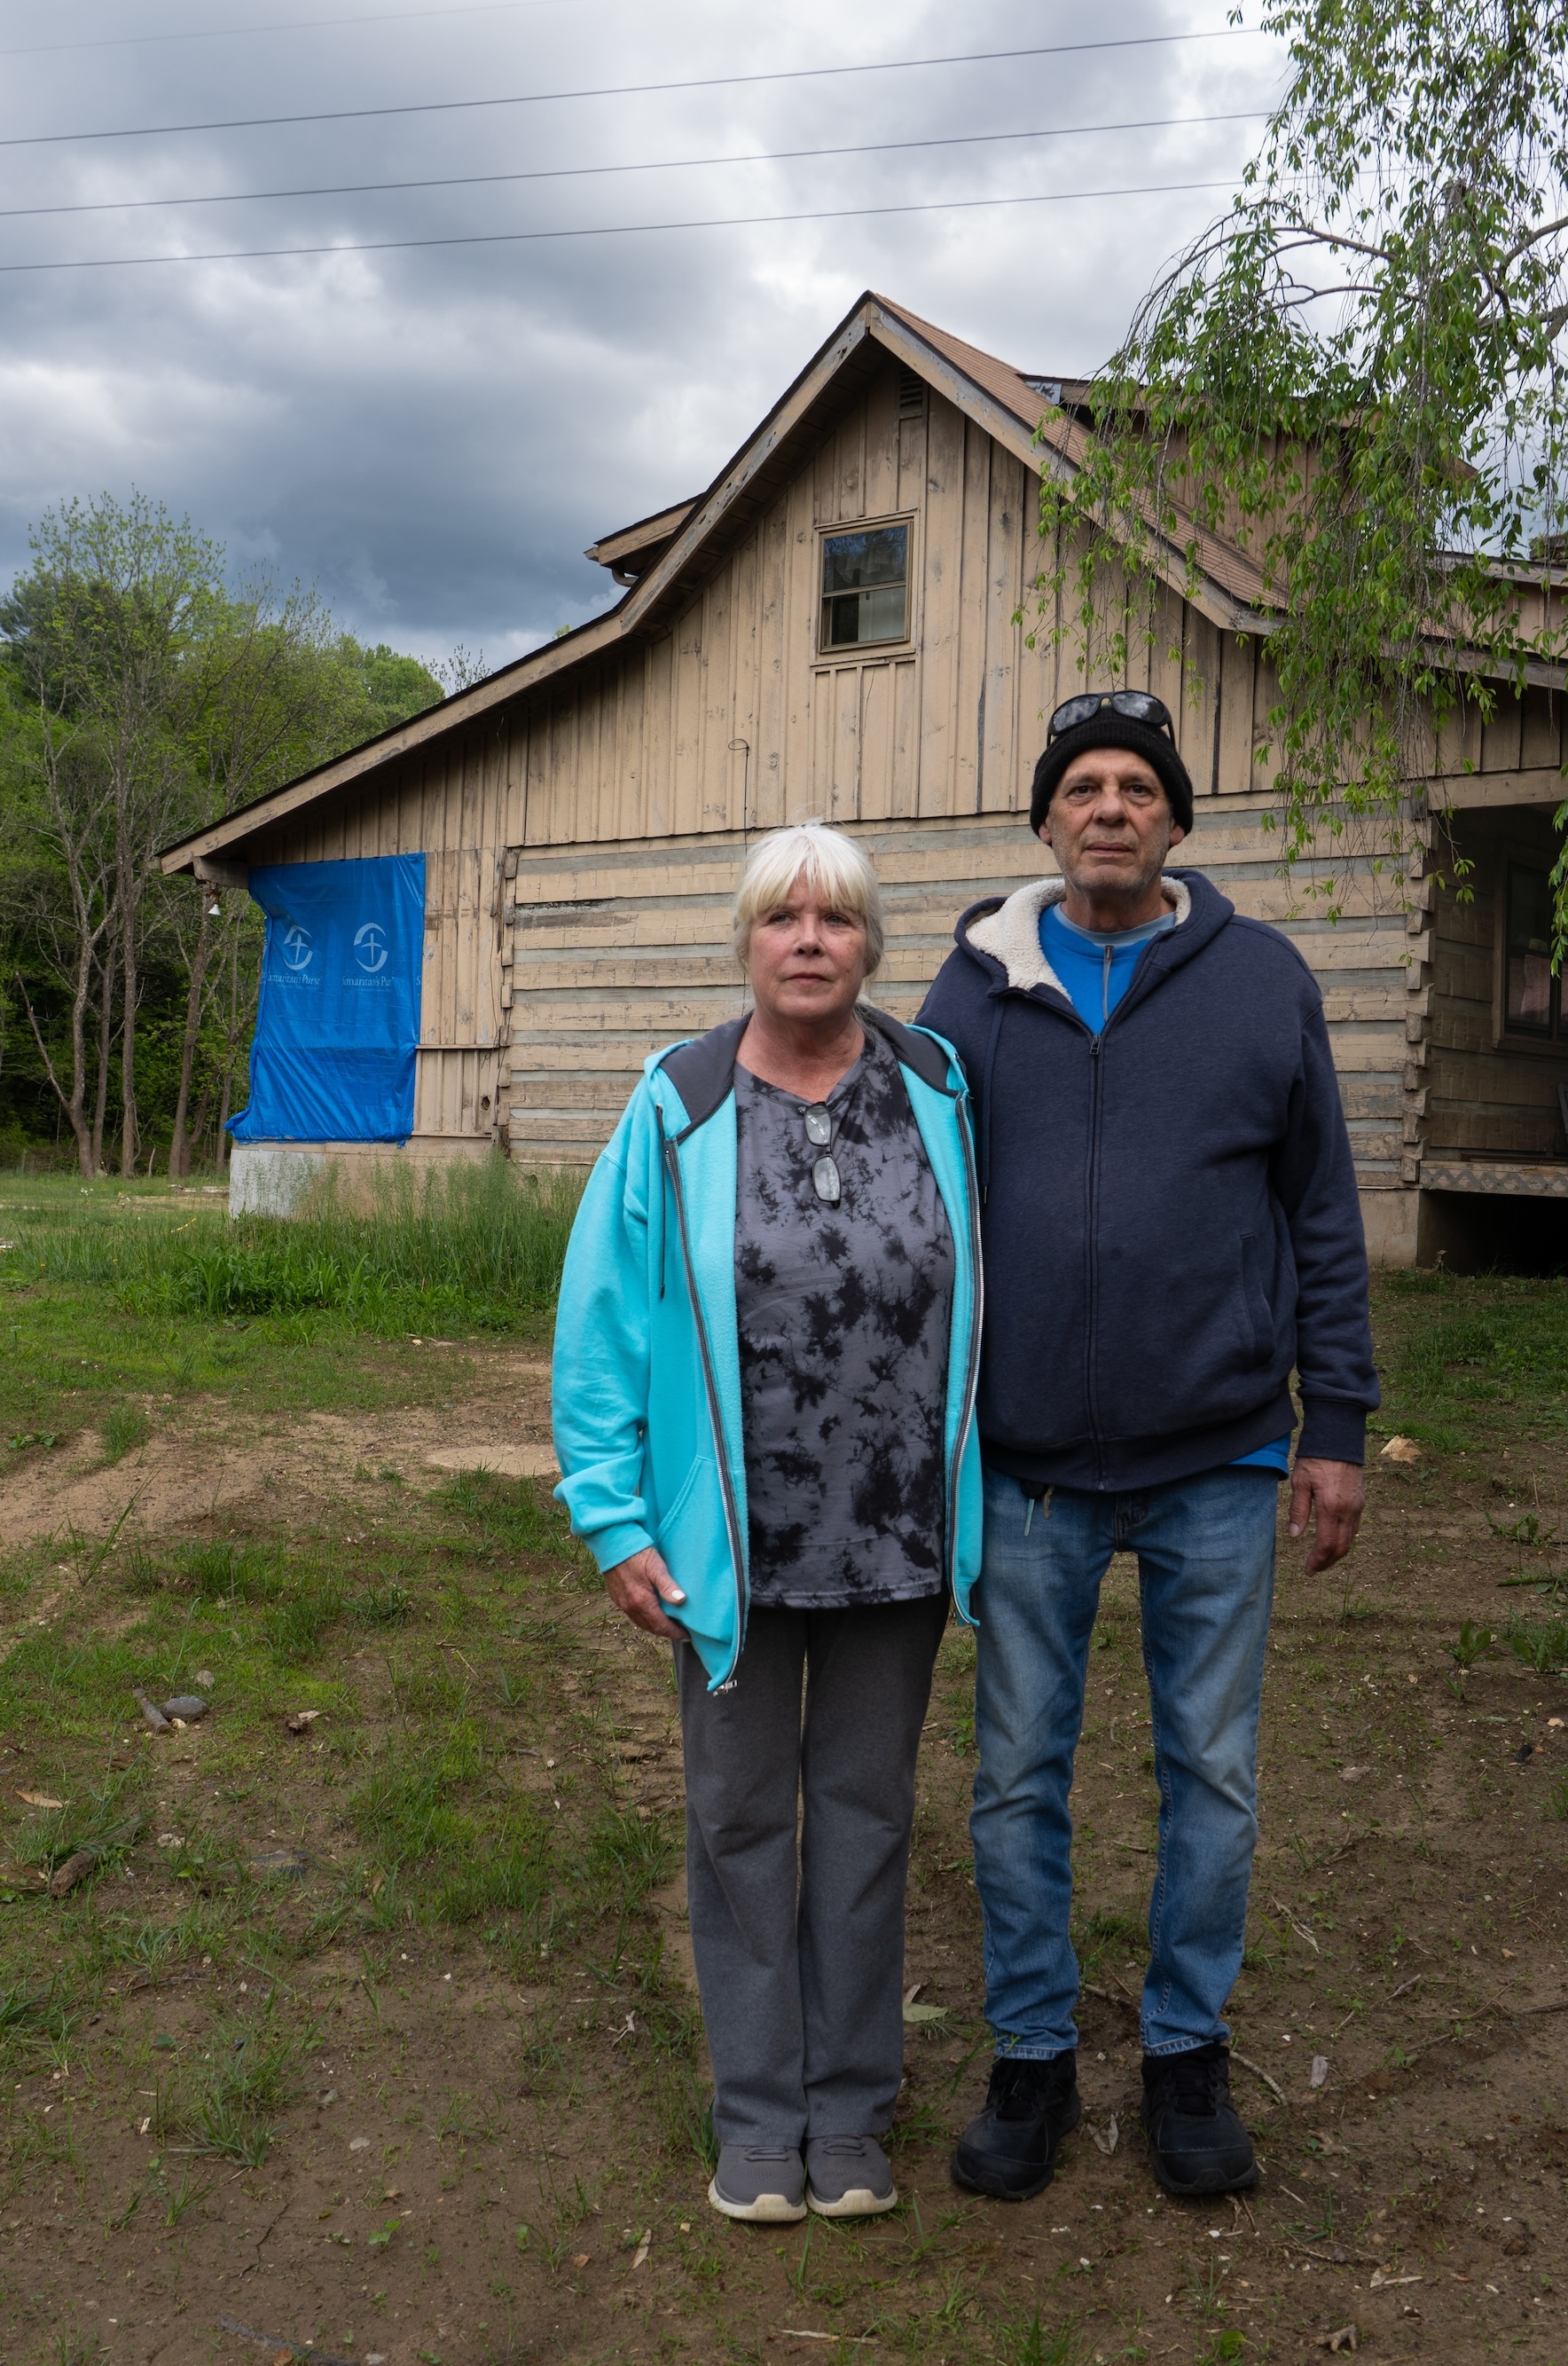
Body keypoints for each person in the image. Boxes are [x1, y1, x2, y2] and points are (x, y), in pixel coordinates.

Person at [914, 689, 1380, 2202]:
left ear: (1177, 821)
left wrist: (1340, 1427)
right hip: (1030, 1465)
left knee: (1214, 1774)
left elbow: (1320, 1211)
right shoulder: (971, 991)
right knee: (1013, 1780)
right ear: (1045, 823)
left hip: (1220, 1459)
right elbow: (915, 1210)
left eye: (1137, 787)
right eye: (1081, 788)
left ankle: (1186, 2057)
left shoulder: (1262, 983)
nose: (1108, 808)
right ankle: (1033, 2058)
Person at [551, 821, 986, 2228]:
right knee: (741, 1821)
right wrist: (615, 1521)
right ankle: (757, 2115)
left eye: (839, 918)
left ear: (871, 946)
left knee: (863, 1822)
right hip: (735, 1542)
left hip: (897, 1536)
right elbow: (602, 1322)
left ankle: (852, 2111)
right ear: (745, 943)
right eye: (782, 917)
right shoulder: (675, 1098)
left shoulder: (935, 1083)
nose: (810, 940)